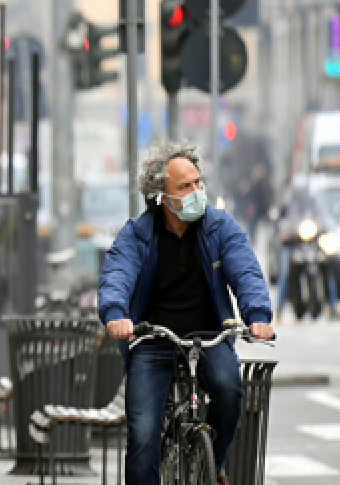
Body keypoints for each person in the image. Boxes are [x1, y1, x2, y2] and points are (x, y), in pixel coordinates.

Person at [98, 141, 274, 485]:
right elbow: (117, 274)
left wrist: (258, 316)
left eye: (198, 182)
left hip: (209, 335)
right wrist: (116, 313)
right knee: (144, 435)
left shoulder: (220, 226)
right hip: (151, 339)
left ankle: (215, 462)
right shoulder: (137, 234)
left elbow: (246, 271)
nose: (196, 192)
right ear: (160, 196)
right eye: (185, 186)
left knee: (228, 388)